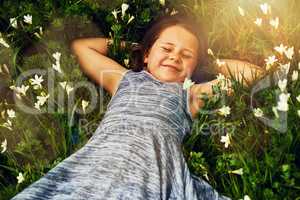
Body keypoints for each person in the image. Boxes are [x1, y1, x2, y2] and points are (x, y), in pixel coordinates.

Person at [12, 11, 263, 200]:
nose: (175, 56)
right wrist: (132, 46)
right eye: (166, 48)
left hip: (154, 166)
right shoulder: (124, 78)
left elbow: (253, 73)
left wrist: (208, 63)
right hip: (102, 156)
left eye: (186, 55)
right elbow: (81, 47)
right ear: (145, 55)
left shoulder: (192, 94)